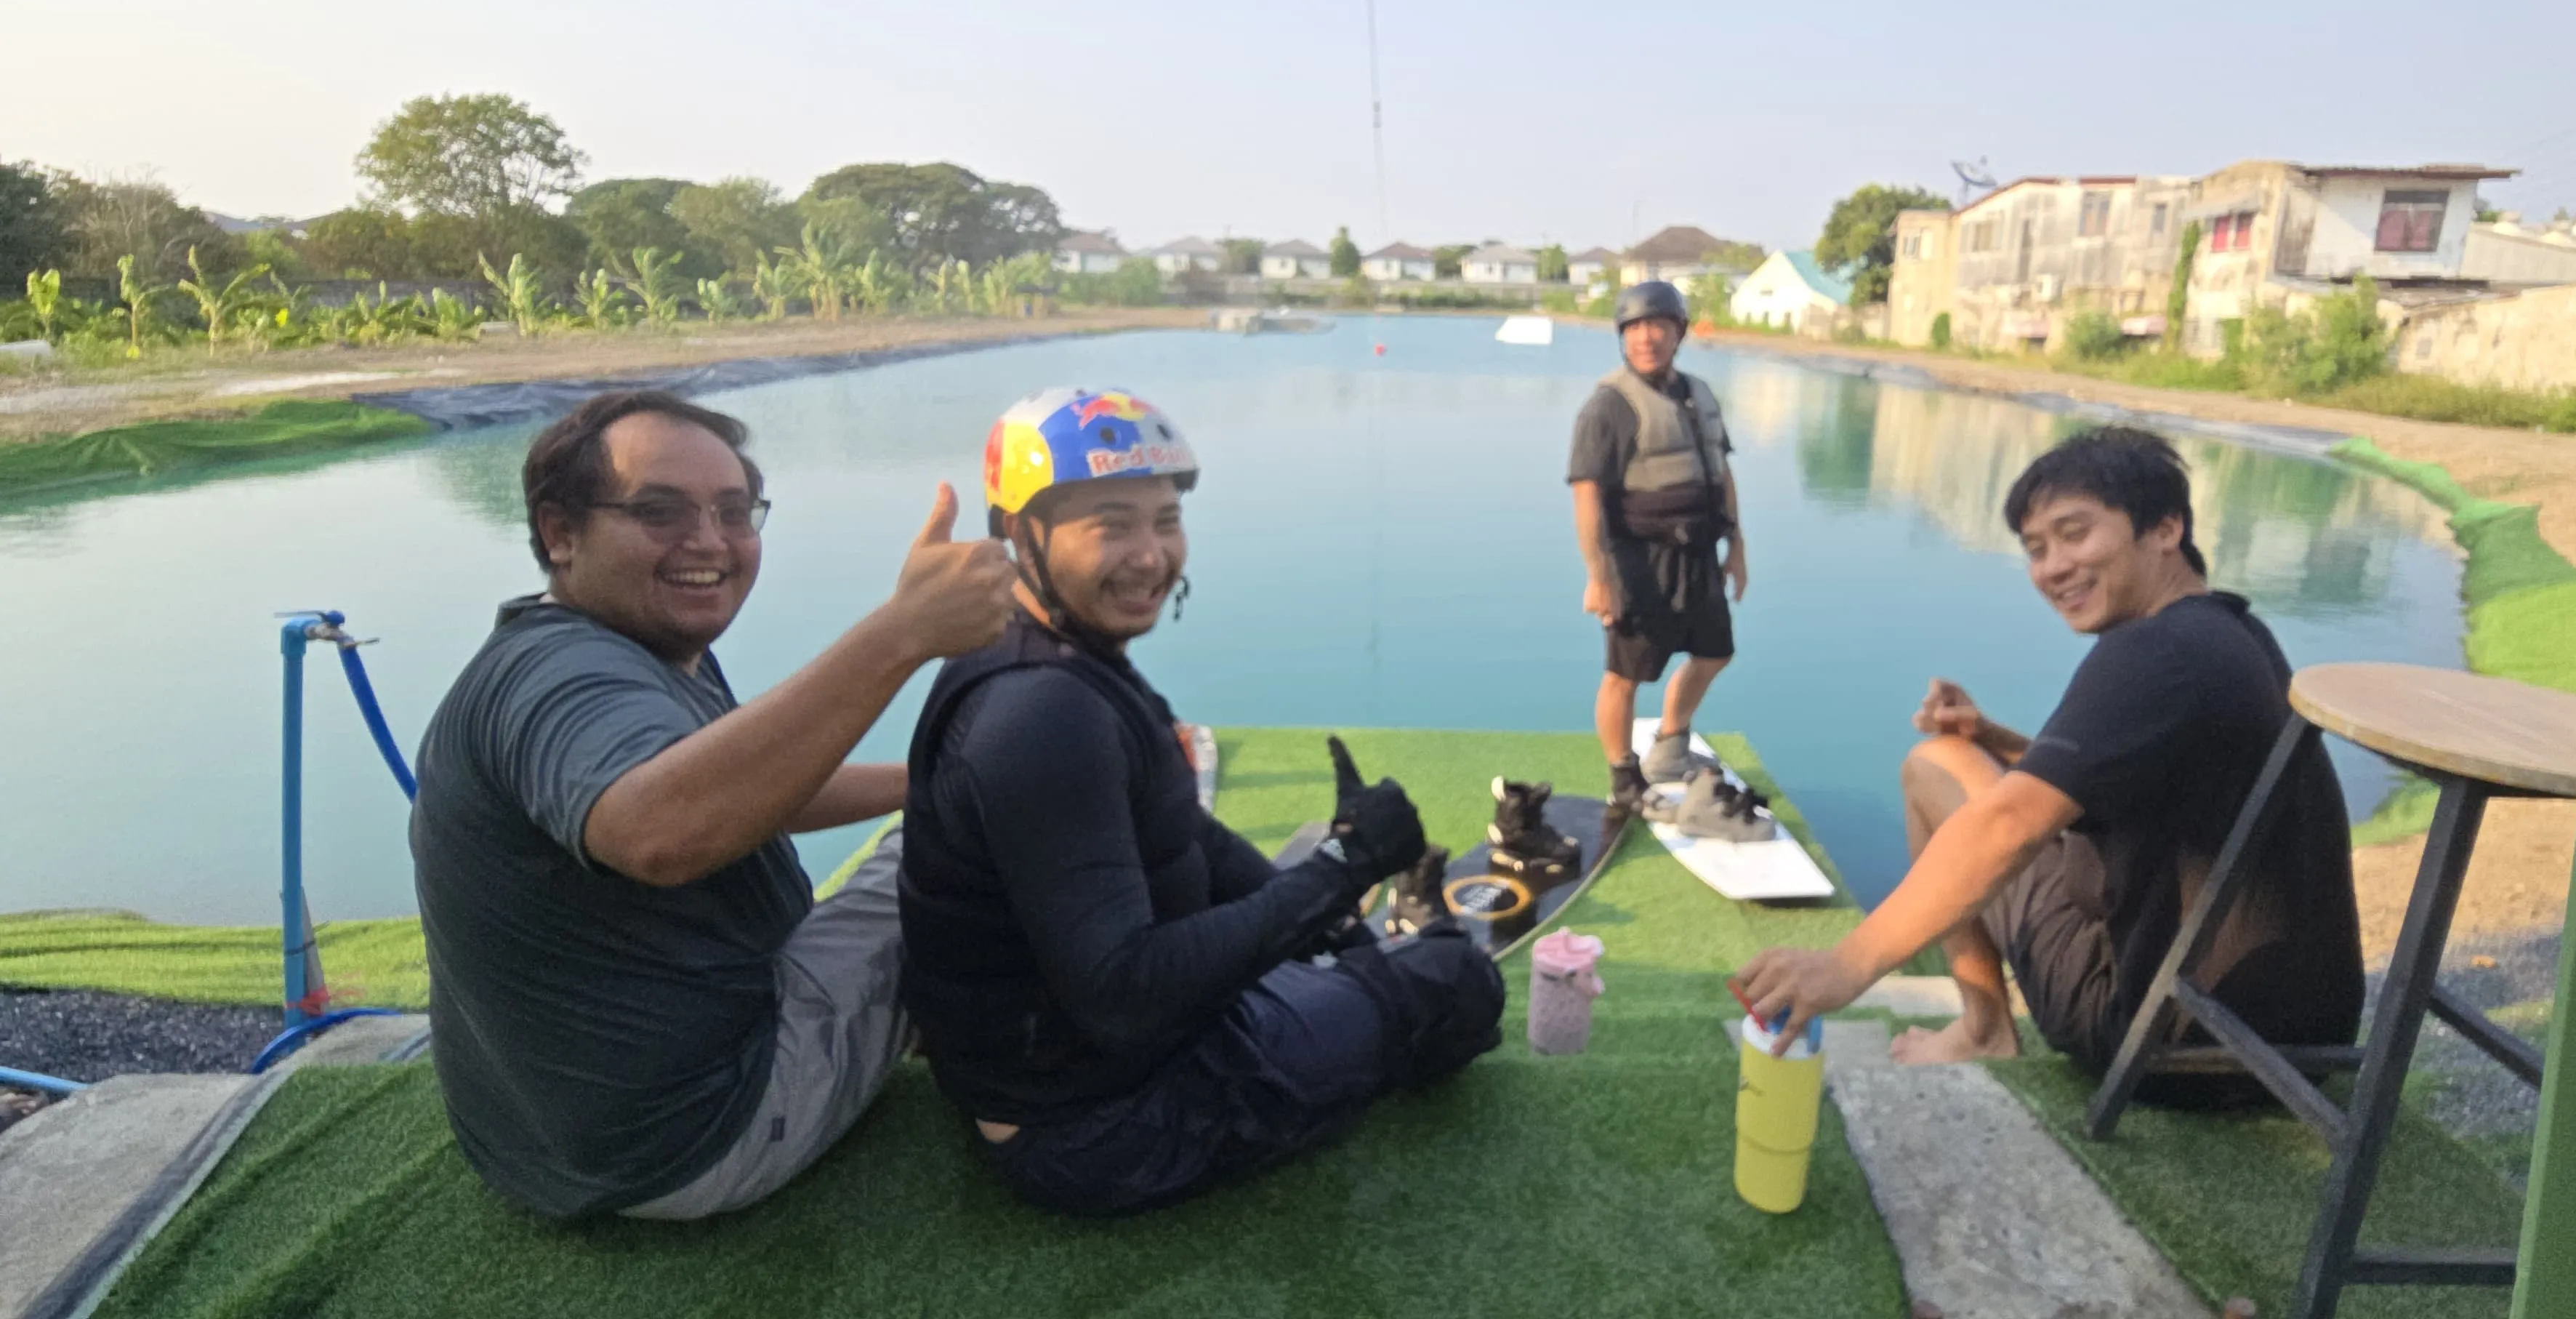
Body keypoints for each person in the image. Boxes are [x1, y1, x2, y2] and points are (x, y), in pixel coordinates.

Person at [411, 388, 1018, 1219]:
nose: (708, 542)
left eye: (734, 512)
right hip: (701, 1130)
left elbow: (742, 788)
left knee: (948, 816)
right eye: (659, 511)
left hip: (545, 1147)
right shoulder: (560, 679)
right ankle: (1041, 1089)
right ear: (560, 534)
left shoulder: (643, 642)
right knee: (966, 849)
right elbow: (663, 831)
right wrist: (903, 633)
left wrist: (931, 783)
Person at [898, 388, 1504, 1217]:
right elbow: (1122, 993)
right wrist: (1341, 868)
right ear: (1020, 535)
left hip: (1106, 1058)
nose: (1151, 556)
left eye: (1165, 520)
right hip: (1099, 1124)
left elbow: (1182, 831)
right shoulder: (1042, 714)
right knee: (1457, 978)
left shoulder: (1053, 654)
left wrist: (1323, 916)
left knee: (1367, 961)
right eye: (1112, 524)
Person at [1731, 427, 2363, 1101]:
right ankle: (1982, 1023)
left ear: (2165, 527)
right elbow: (2116, 786)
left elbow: (2011, 825)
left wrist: (1844, 966)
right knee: (1958, 755)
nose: (2054, 566)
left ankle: (1982, 1028)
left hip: (2172, 1044)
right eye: (2036, 549)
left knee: (1932, 772)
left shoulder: (2151, 654)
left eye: (2075, 533)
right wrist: (1993, 736)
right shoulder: (2230, 635)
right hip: (2298, 1041)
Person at [1569, 281, 1747, 811]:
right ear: (1623, 337)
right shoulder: (1609, 407)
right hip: (1640, 561)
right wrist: (1599, 576)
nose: (1647, 337)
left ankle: (1671, 745)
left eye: (1659, 326)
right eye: (1636, 328)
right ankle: (1625, 778)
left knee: (1716, 653)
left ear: (1678, 333)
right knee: (1624, 675)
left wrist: (1737, 545)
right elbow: (1587, 496)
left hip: (1700, 556)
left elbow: (1722, 472)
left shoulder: (1699, 394)